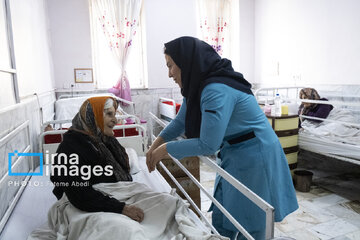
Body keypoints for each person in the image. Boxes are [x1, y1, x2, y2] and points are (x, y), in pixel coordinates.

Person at [146, 36, 298, 240]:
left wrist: (164, 151)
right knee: (222, 211)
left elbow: (208, 144)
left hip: (255, 152)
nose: (169, 73)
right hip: (233, 150)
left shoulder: (215, 89)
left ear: (185, 61)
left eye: (170, 66)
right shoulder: (197, 85)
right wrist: (154, 144)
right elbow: (181, 121)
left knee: (251, 222)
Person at [50, 96, 144, 223]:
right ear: (94, 117)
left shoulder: (103, 139)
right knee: (124, 229)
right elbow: (79, 194)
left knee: (164, 203)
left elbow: (123, 169)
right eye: (109, 114)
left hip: (115, 196)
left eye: (115, 114)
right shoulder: (69, 148)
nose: (115, 120)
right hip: (86, 203)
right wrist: (122, 208)